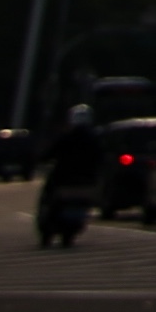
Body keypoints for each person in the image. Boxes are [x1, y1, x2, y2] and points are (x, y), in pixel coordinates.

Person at [35, 100, 106, 247]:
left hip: (64, 178)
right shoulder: (94, 140)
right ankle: (58, 224)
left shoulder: (67, 137)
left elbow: (50, 153)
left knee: (48, 194)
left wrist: (41, 158)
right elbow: (101, 159)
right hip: (85, 179)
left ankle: (50, 224)